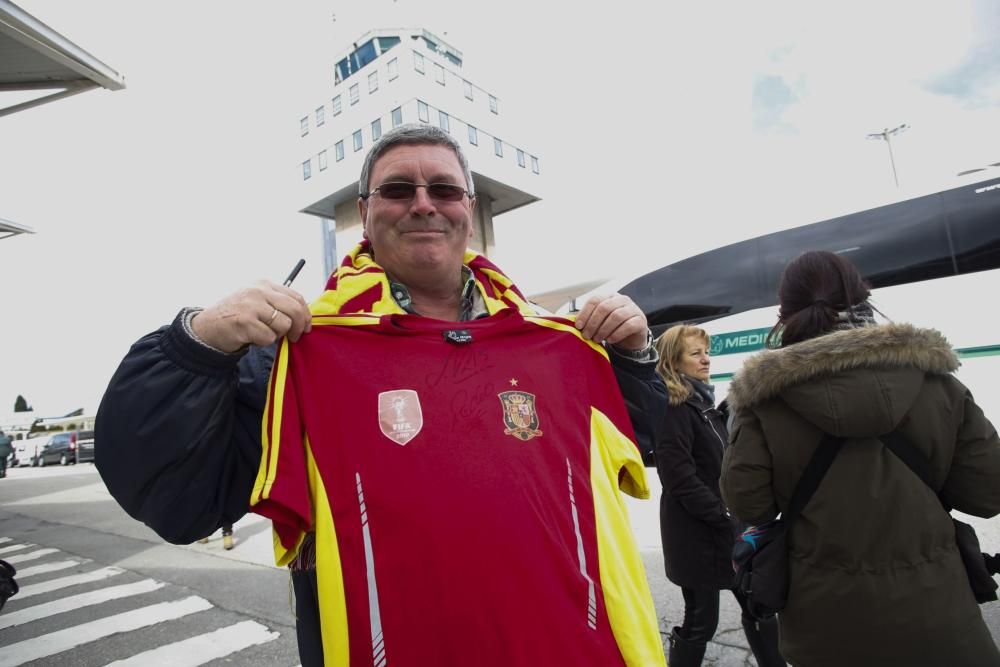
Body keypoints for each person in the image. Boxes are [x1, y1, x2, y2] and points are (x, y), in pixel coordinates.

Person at [96, 124, 667, 666]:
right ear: (366, 214)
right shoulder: (302, 352)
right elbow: (178, 499)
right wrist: (197, 346)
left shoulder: (555, 343)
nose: (423, 203)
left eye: (443, 189)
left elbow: (640, 445)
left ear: (466, 210)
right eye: (398, 189)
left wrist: (636, 358)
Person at [720, 250, 1000, 667]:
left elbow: (749, 505)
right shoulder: (939, 385)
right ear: (862, 296)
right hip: (942, 620)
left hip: (825, 631)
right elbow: (987, 493)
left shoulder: (761, 404)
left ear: (786, 312)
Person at [653, 326, 785, 667]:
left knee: (759, 604)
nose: (706, 359)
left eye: (706, 352)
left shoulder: (705, 405)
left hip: (729, 529)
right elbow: (678, 477)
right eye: (696, 353)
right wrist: (723, 513)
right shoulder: (673, 408)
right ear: (673, 361)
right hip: (697, 535)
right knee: (701, 620)